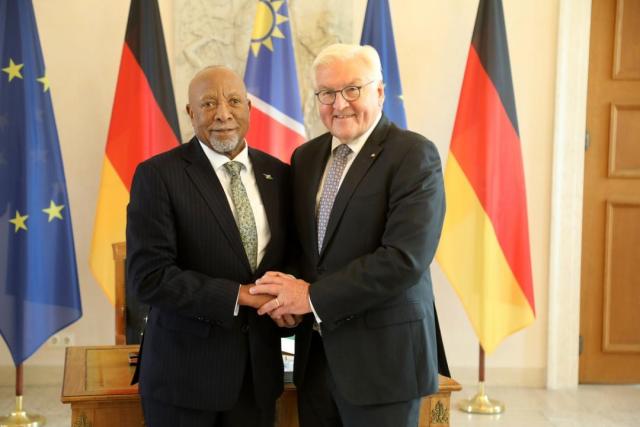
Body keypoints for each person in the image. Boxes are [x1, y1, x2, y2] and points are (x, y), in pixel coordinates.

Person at [251, 43, 446, 427]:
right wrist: (286, 300)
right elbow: (305, 250)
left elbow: (403, 260)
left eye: (352, 89)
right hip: (317, 360)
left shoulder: (413, 156)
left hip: (384, 363)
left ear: (379, 91)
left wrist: (310, 297)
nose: (339, 104)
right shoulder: (305, 158)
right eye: (327, 93)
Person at [126, 66, 296, 427]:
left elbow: (288, 260)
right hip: (183, 378)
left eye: (234, 101)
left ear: (249, 107)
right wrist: (240, 294)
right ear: (190, 113)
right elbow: (149, 278)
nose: (223, 113)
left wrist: (289, 305)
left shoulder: (280, 174)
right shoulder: (158, 176)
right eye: (208, 104)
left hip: (257, 379)